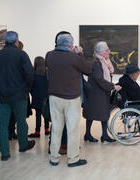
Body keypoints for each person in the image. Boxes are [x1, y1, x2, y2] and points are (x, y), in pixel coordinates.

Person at [46, 33, 92, 167]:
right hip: (71, 98)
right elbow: (88, 69)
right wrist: (79, 54)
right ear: (71, 45)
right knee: (72, 130)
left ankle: (54, 158)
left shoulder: (49, 55)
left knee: (56, 128)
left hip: (54, 97)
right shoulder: (74, 58)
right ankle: (73, 159)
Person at [0, 31, 36, 161]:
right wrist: (26, 89)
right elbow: (30, 74)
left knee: (2, 124)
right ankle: (23, 145)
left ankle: (5, 153)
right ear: (16, 41)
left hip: (2, 96)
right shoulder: (21, 54)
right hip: (19, 96)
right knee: (21, 121)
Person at [83, 41, 122, 143]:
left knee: (104, 114)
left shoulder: (105, 62)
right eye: (106, 50)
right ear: (100, 52)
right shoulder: (97, 63)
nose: (109, 51)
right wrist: (112, 86)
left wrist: (111, 83)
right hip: (96, 93)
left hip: (102, 93)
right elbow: (99, 79)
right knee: (92, 114)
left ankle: (104, 135)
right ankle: (88, 134)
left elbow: (105, 78)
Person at [9, 41, 32, 141]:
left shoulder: (5, 57)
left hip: (6, 92)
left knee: (9, 116)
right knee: (20, 118)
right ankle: (23, 141)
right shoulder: (22, 57)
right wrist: (27, 88)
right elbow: (29, 74)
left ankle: (10, 133)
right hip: (20, 93)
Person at [28, 56, 50, 138]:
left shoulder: (34, 74)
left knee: (38, 115)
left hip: (37, 98)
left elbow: (31, 86)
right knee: (46, 114)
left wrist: (32, 93)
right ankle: (47, 130)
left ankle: (37, 132)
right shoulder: (47, 73)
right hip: (46, 98)